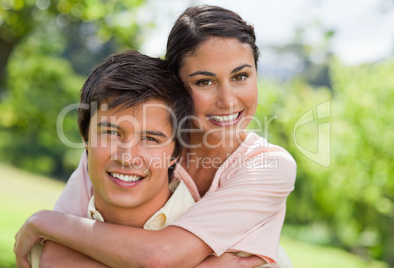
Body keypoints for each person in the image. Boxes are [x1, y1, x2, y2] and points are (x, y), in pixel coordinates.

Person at [15, 5, 296, 267]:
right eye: (204, 81)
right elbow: (57, 253)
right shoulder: (123, 148)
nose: (228, 100)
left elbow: (159, 256)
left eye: (240, 76)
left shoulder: (266, 166)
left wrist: (44, 222)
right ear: (176, 86)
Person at [28, 50, 197, 267]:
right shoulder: (42, 245)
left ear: (175, 153)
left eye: (151, 139)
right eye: (111, 133)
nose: (127, 158)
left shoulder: (217, 248)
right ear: (85, 137)